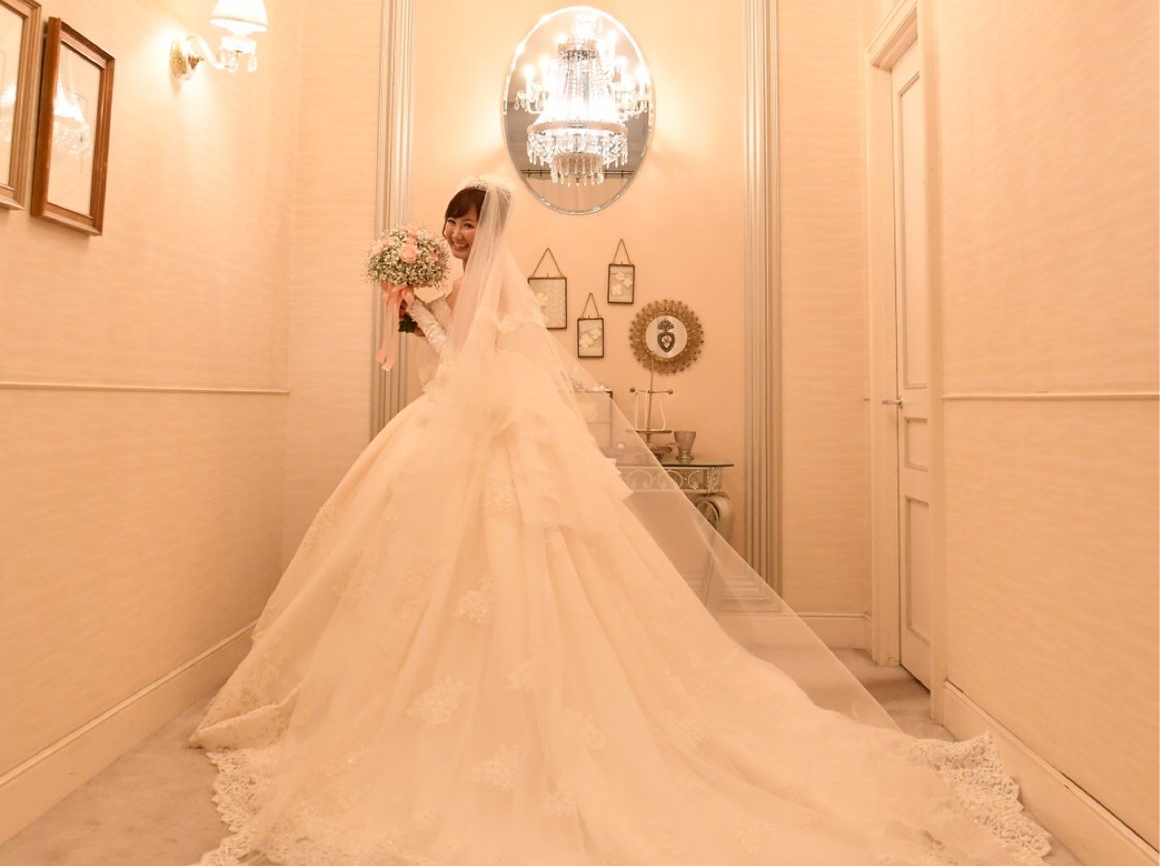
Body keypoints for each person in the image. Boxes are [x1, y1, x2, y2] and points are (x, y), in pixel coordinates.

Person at [190, 176, 1050, 866]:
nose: (455, 232)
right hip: (453, 430)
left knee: (526, 570)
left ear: (490, 228)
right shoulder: (453, 278)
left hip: (490, 437)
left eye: (468, 222)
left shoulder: (492, 287)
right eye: (451, 221)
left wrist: (427, 317)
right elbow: (452, 365)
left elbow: (473, 367)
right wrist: (417, 308)